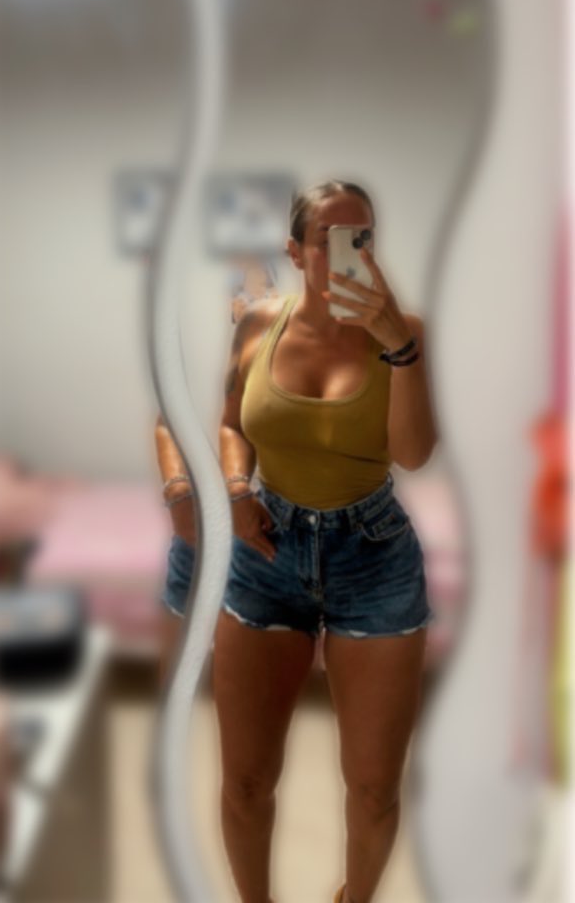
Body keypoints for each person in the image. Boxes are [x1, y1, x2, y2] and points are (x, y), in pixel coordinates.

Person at [156, 180, 438, 903]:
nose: (350, 253)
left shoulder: (405, 330)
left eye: (362, 238)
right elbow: (230, 423)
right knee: (246, 780)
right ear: (293, 251)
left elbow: (412, 454)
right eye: (330, 240)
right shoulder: (257, 323)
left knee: (373, 789)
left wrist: (399, 349)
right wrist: (236, 489)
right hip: (267, 551)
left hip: (373, 557)